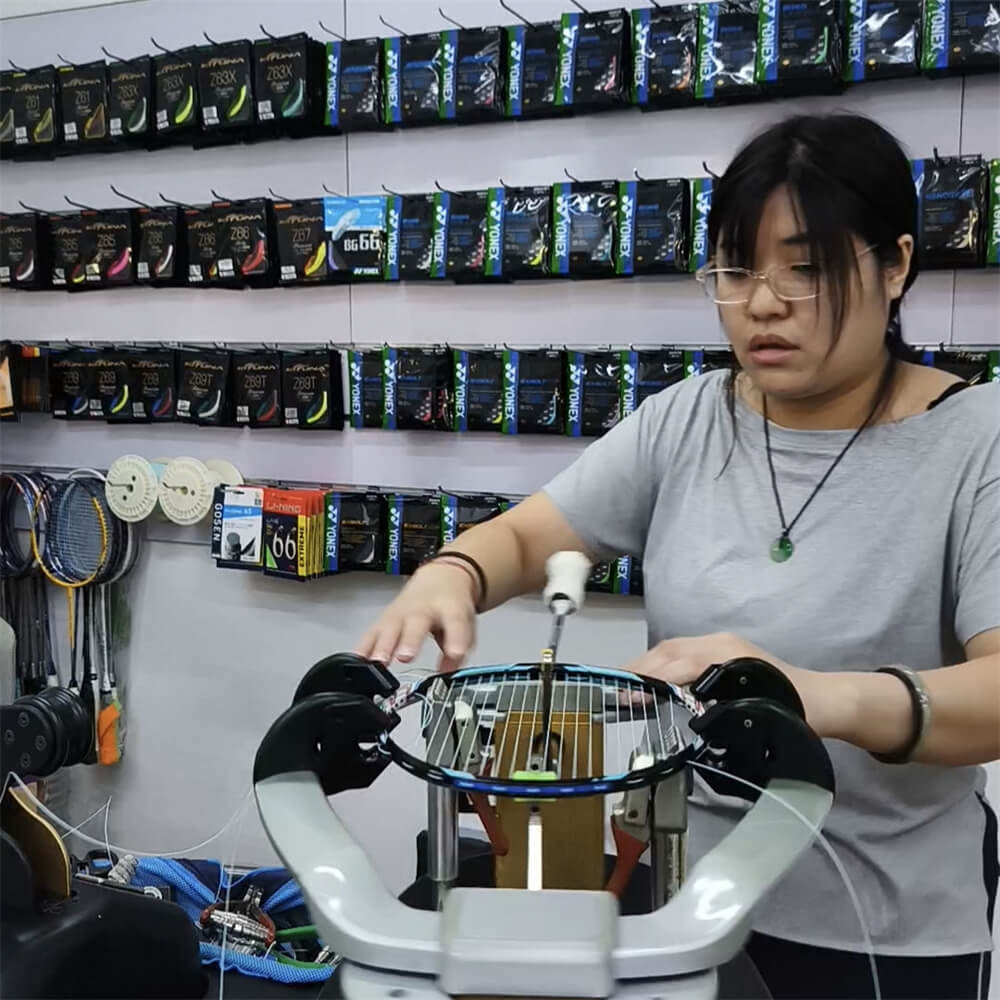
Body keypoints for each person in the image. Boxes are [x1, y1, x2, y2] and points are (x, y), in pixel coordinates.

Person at [357, 113, 999, 1000]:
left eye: (806, 270)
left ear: (895, 266)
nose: (763, 304)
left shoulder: (976, 442)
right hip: (677, 913)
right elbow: (527, 537)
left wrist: (815, 696)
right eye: (737, 270)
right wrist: (453, 572)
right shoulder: (691, 418)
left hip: (878, 934)